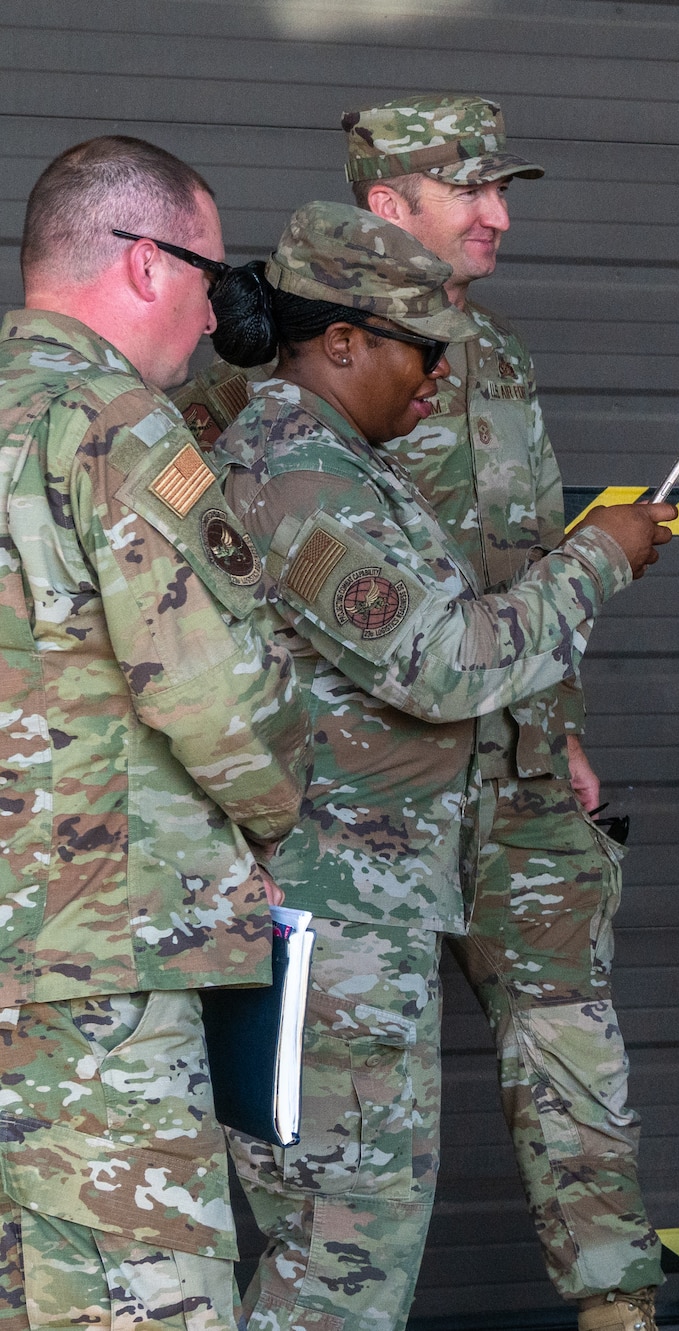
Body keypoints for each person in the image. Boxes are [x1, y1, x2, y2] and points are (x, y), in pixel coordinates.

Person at [176, 95, 668, 1331]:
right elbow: (405, 636)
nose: (498, 215)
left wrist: (554, 720)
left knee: (564, 1052)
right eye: (473, 189)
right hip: (356, 837)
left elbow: (501, 556)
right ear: (389, 205)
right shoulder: (266, 408)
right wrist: (599, 561)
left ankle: (617, 1303)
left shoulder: (486, 355)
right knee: (350, 1204)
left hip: (505, 771)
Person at [0, 137, 311, 1329]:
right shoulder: (119, 426)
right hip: (101, 970)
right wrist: (275, 816)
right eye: (209, 275)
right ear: (144, 263)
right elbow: (213, 695)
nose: (216, 312)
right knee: (148, 1301)